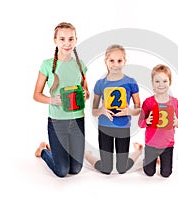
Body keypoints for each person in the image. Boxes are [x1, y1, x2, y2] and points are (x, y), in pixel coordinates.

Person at [34, 22, 90, 178]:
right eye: (62, 39)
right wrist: (53, 100)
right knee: (62, 171)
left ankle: (57, 151)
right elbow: (36, 95)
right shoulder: (46, 65)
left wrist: (85, 95)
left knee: (76, 169)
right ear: (55, 40)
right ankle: (44, 150)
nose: (67, 43)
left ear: (76, 40)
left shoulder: (80, 65)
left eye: (71, 39)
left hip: (78, 121)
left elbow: (87, 93)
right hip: (57, 122)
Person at [84, 44, 143, 175]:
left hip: (123, 128)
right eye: (112, 60)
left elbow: (138, 108)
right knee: (106, 169)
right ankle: (86, 154)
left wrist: (129, 111)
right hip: (105, 127)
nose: (115, 64)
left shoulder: (131, 82)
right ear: (106, 61)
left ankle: (138, 151)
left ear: (125, 61)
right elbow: (93, 111)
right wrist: (101, 110)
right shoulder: (100, 84)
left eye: (119, 60)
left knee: (122, 169)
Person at [138, 64, 178, 178]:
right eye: (157, 81)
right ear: (152, 83)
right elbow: (140, 123)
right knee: (149, 173)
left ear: (170, 82)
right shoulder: (148, 102)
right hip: (151, 144)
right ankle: (147, 159)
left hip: (167, 145)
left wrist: (176, 122)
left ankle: (160, 160)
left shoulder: (175, 103)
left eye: (164, 81)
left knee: (166, 174)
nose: (161, 84)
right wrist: (147, 120)